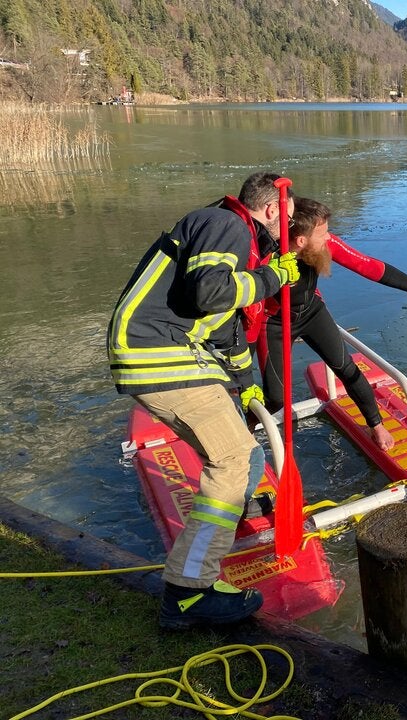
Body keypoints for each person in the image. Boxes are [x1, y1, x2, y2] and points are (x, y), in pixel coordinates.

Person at [107, 172, 300, 630]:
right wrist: (273, 276)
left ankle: (225, 522)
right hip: (158, 353)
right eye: (287, 221)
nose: (287, 233)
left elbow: (219, 324)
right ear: (271, 210)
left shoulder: (224, 229)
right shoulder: (227, 224)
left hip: (168, 352)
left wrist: (245, 381)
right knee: (233, 457)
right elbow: (211, 294)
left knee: (239, 454)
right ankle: (189, 592)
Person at [256, 198, 407, 452]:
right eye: (323, 233)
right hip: (272, 323)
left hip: (311, 312)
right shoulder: (265, 258)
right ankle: (242, 431)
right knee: (274, 398)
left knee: (347, 368)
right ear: (301, 240)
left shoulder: (323, 244)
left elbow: (368, 266)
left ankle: (376, 425)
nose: (329, 238)